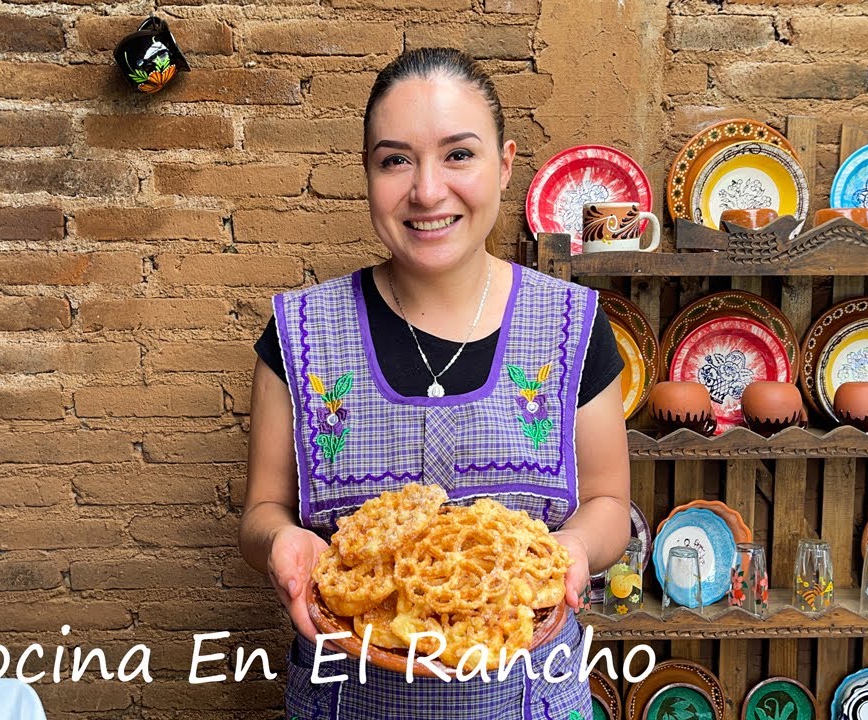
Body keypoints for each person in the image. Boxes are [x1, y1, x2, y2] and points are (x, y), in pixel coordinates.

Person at [239, 47, 631, 720]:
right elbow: (261, 513)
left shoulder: (574, 327)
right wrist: (280, 542)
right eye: (395, 159)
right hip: (347, 700)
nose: (425, 190)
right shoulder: (299, 334)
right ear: (367, 173)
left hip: (530, 698)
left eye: (458, 155)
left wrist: (569, 550)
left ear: (504, 165)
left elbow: (605, 501)